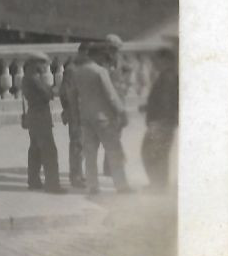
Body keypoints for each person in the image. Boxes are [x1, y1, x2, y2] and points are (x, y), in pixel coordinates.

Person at [75, 41, 132, 194]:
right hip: (103, 118)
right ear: (98, 55)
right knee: (114, 151)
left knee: (90, 154)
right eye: (103, 55)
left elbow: (75, 95)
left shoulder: (78, 71)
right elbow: (111, 95)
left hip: (86, 116)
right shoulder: (100, 71)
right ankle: (121, 185)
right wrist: (121, 112)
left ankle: (92, 186)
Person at [21, 54, 64, 192]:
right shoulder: (33, 78)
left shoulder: (28, 78)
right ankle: (52, 184)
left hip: (34, 117)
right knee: (49, 151)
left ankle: (33, 181)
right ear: (35, 64)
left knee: (35, 150)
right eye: (43, 64)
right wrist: (52, 90)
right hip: (40, 117)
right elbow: (47, 94)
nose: (46, 67)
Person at [141, 43, 178, 190]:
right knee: (157, 153)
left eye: (156, 61)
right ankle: (159, 184)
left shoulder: (168, 77)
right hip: (163, 121)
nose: (154, 64)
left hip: (161, 122)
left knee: (152, 152)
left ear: (165, 60)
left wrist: (158, 122)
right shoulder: (167, 75)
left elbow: (166, 101)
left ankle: (158, 185)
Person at [58, 44, 89, 188]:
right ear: (82, 52)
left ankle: (79, 174)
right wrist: (68, 110)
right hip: (75, 113)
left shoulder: (83, 68)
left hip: (84, 112)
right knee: (77, 145)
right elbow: (64, 92)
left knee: (82, 145)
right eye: (88, 53)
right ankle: (75, 176)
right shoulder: (72, 69)